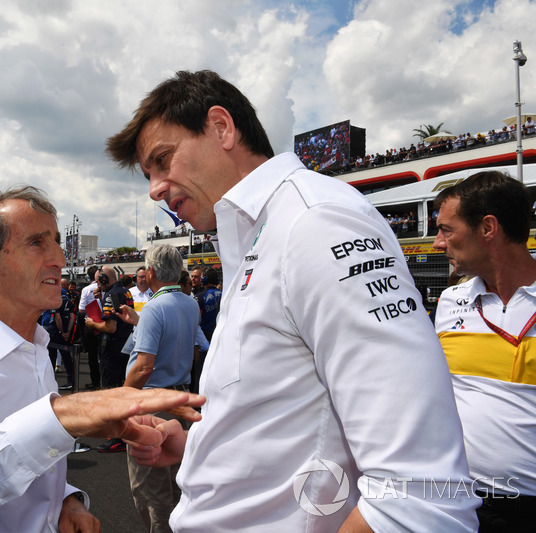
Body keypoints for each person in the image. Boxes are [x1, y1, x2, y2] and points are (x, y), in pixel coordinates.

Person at [105, 69, 478, 531]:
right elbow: (283, 408)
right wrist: (190, 443)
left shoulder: (314, 221)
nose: (154, 188)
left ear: (221, 127)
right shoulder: (257, 233)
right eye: (148, 175)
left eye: (163, 160)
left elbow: (419, 494)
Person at [0, 185, 204, 532]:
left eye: (57, 242)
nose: (60, 258)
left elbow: (31, 462)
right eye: (36, 243)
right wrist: (60, 416)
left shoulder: (35, 350)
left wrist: (65, 500)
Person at [433, 170, 536, 531]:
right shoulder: (450, 301)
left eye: (446, 229)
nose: (437, 243)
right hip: (458, 498)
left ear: (488, 228)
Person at [119, 244, 199, 533]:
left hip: (153, 402)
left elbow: (143, 367)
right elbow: (191, 344)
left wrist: (118, 401)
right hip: (181, 399)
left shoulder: (154, 306)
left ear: (150, 272)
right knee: (178, 483)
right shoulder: (189, 303)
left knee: (150, 490)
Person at [78, 265, 101, 390]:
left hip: (90, 325)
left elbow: (81, 310)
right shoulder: (104, 288)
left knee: (92, 355)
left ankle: (95, 382)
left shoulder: (86, 290)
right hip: (106, 322)